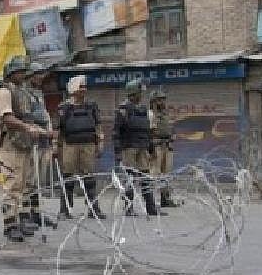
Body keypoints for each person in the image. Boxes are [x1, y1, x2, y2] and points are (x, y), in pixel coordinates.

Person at [0, 56, 51, 241]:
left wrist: (44, 132)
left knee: (23, 185)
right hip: (10, 145)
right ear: (11, 73)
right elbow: (7, 118)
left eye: (23, 71)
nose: (23, 74)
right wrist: (28, 129)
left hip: (23, 144)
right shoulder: (4, 92)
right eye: (19, 71)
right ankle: (9, 224)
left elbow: (29, 119)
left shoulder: (22, 93)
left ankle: (19, 220)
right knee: (12, 186)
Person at [112, 79, 165, 217]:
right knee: (129, 178)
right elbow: (116, 133)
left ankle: (151, 208)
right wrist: (118, 153)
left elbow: (147, 131)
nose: (141, 95)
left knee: (145, 177)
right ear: (133, 93)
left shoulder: (142, 110)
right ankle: (129, 207)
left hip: (142, 147)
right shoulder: (123, 110)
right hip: (128, 147)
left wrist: (151, 148)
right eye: (139, 92)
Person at [57, 75, 105, 219]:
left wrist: (100, 142)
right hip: (69, 145)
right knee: (68, 178)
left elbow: (98, 126)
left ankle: (93, 208)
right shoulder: (64, 107)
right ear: (73, 89)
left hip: (88, 145)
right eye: (80, 87)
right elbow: (58, 129)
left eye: (84, 87)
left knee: (89, 178)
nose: (84, 90)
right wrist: (55, 147)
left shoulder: (92, 106)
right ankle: (65, 209)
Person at [21, 61, 54, 232]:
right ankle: (25, 215)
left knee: (38, 182)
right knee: (29, 180)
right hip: (32, 140)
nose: (41, 77)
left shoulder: (39, 93)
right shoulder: (24, 93)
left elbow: (45, 114)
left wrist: (49, 130)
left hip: (44, 141)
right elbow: (28, 118)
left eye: (42, 74)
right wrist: (42, 131)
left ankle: (36, 212)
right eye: (38, 74)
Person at [149, 89, 179, 208]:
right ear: (153, 101)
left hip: (167, 146)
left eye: (163, 99)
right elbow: (149, 132)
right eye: (159, 100)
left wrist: (172, 137)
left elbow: (171, 128)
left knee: (166, 174)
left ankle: (165, 199)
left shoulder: (166, 114)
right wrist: (151, 148)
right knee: (154, 174)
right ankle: (151, 201)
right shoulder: (150, 114)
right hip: (156, 146)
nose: (162, 102)